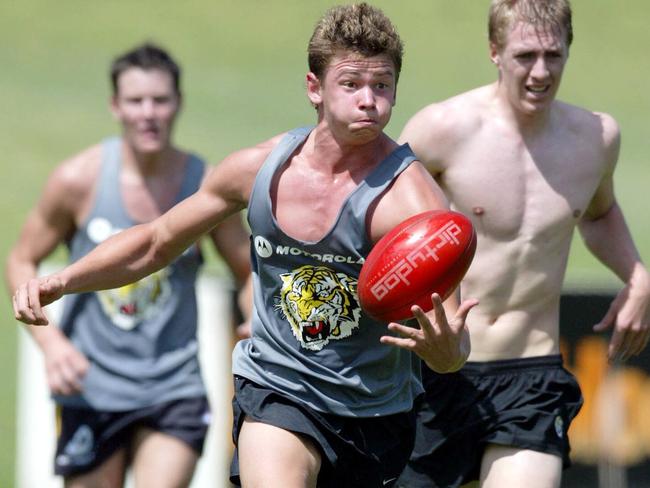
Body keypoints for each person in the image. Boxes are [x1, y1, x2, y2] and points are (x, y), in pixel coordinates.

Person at [11, 4, 480, 488]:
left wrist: (446, 353)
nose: (368, 101)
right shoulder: (257, 171)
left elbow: (452, 348)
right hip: (277, 388)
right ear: (314, 88)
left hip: (374, 410)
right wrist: (65, 279)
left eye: (381, 86)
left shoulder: (413, 202)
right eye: (351, 83)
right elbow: (154, 242)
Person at [395, 1, 650, 487]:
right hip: (435, 371)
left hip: (530, 373)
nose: (540, 72)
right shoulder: (442, 129)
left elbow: (598, 214)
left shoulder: (595, 138)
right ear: (494, 51)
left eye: (553, 55)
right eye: (525, 55)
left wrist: (638, 275)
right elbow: (381, 218)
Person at [5, 42, 252, 487]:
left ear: (178, 103)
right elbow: (22, 257)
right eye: (136, 101)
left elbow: (247, 270)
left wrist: (253, 316)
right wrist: (51, 346)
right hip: (91, 388)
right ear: (115, 106)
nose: (149, 113)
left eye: (160, 100)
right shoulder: (78, 180)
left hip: (174, 386)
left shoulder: (204, 186)